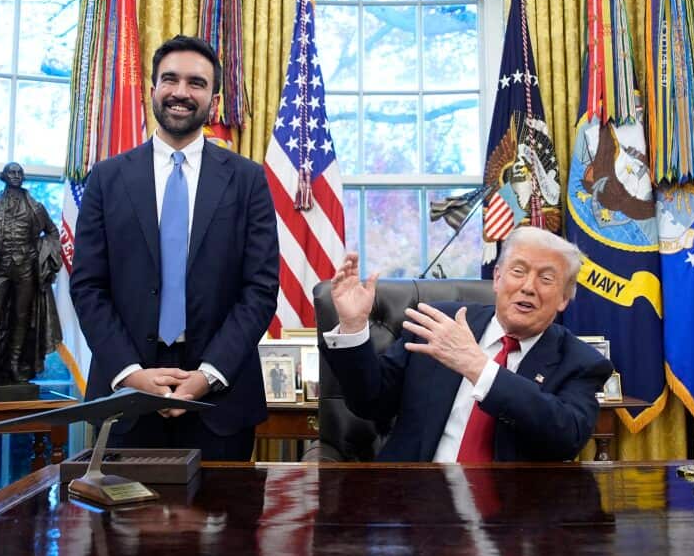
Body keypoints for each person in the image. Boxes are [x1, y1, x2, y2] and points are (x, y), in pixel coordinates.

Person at [71, 35, 279, 460]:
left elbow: (259, 290)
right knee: (122, 527)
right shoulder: (107, 178)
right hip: (126, 397)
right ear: (153, 90)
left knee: (226, 528)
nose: (181, 92)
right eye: (170, 79)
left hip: (219, 400)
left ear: (214, 100)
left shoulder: (248, 181)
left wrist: (205, 376)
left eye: (196, 83)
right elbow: (88, 286)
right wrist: (132, 374)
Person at [321, 226, 612, 462]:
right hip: (412, 502)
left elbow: (566, 438)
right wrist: (353, 326)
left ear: (564, 298)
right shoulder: (437, 325)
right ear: (497, 278)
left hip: (514, 520)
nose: (528, 287)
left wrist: (479, 368)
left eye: (546, 278)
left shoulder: (580, 362)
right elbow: (370, 402)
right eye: (518, 271)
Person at [0, 162, 62, 387]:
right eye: (12, 172)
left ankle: (15, 367)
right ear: (4, 176)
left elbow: (53, 232)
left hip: (26, 270)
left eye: (19, 173)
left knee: (21, 319)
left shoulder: (36, 208)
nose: (16, 176)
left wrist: (43, 252)